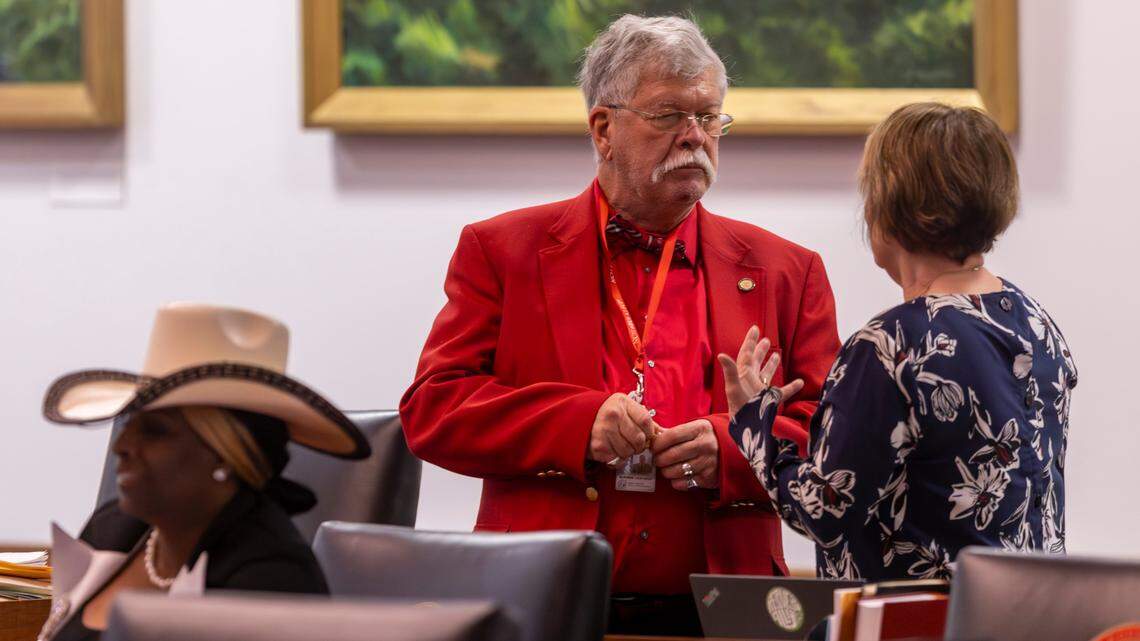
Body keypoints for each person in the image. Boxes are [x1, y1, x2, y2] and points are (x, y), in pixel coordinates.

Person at [400, 15, 839, 635]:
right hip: (541, 599)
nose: (695, 136)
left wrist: (735, 448)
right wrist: (578, 424)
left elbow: (834, 435)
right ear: (603, 128)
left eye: (709, 117)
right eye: (669, 115)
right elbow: (434, 409)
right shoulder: (503, 250)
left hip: (730, 609)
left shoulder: (786, 270)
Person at [720, 103, 1077, 582]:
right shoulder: (1036, 322)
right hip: (1026, 608)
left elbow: (824, 509)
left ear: (888, 206)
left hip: (924, 617)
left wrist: (752, 422)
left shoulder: (894, 346)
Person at [37, 303, 371, 641]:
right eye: (128, 424)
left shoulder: (271, 579)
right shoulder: (113, 528)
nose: (121, 446)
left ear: (225, 454)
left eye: (155, 430)